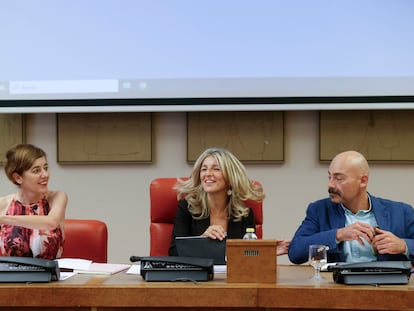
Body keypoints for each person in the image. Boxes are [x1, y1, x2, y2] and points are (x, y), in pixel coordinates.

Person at [288, 150, 414, 264]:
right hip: (338, 287)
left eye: (339, 178)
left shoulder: (401, 212)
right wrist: (338, 234)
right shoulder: (319, 210)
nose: (330, 185)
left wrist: (404, 245)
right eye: (329, 177)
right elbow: (295, 252)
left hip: (387, 287)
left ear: (363, 181)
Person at [168, 147, 290, 256]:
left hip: (231, 279)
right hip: (197, 280)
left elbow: (246, 256)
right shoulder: (187, 208)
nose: (208, 174)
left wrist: (268, 252)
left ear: (230, 178)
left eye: (216, 169)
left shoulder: (244, 214)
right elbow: (174, 253)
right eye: (204, 169)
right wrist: (202, 240)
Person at [0, 144, 67, 259]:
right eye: (36, 171)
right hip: (9, 276)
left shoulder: (57, 197)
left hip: (51, 276)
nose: (45, 174)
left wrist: (3, 219)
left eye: (45, 168)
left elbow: (51, 222)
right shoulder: (3, 204)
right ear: (18, 178)